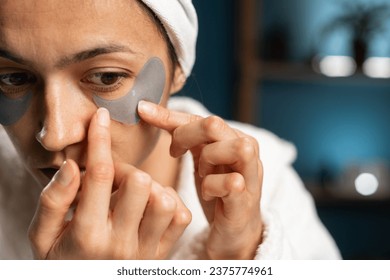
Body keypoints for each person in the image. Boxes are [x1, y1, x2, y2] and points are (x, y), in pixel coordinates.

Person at [0, 0, 341, 260]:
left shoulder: (268, 192)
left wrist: (241, 255)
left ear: (178, 69)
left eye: (107, 77)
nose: (54, 135)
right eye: (13, 78)